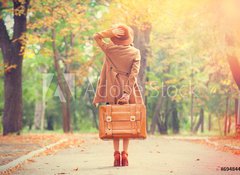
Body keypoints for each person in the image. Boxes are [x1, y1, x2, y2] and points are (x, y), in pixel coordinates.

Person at [92, 24, 144, 166]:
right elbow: (134, 75)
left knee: (115, 122)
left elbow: (96, 36)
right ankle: (125, 155)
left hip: (112, 91)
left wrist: (109, 33)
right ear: (129, 38)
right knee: (126, 121)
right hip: (129, 91)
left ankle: (116, 155)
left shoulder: (109, 49)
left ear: (115, 38)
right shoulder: (135, 52)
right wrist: (127, 93)